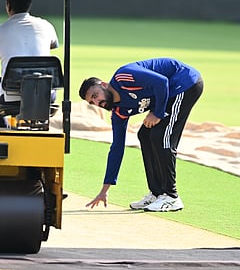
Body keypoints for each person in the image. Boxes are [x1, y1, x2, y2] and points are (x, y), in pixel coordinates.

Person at [79, 58, 203, 212]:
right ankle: (157, 193)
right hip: (169, 92)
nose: (98, 103)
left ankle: (172, 197)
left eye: (96, 95)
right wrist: (104, 190)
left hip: (185, 82)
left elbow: (161, 82)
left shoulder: (123, 77)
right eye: (92, 102)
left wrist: (157, 113)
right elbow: (117, 148)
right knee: (144, 135)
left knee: (161, 136)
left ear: (104, 85)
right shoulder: (119, 112)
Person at [0, 0, 59, 127]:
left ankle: (2, 129)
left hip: (9, 97)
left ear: (8, 5)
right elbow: (50, 48)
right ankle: (40, 125)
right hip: (45, 96)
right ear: (29, 4)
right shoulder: (47, 26)